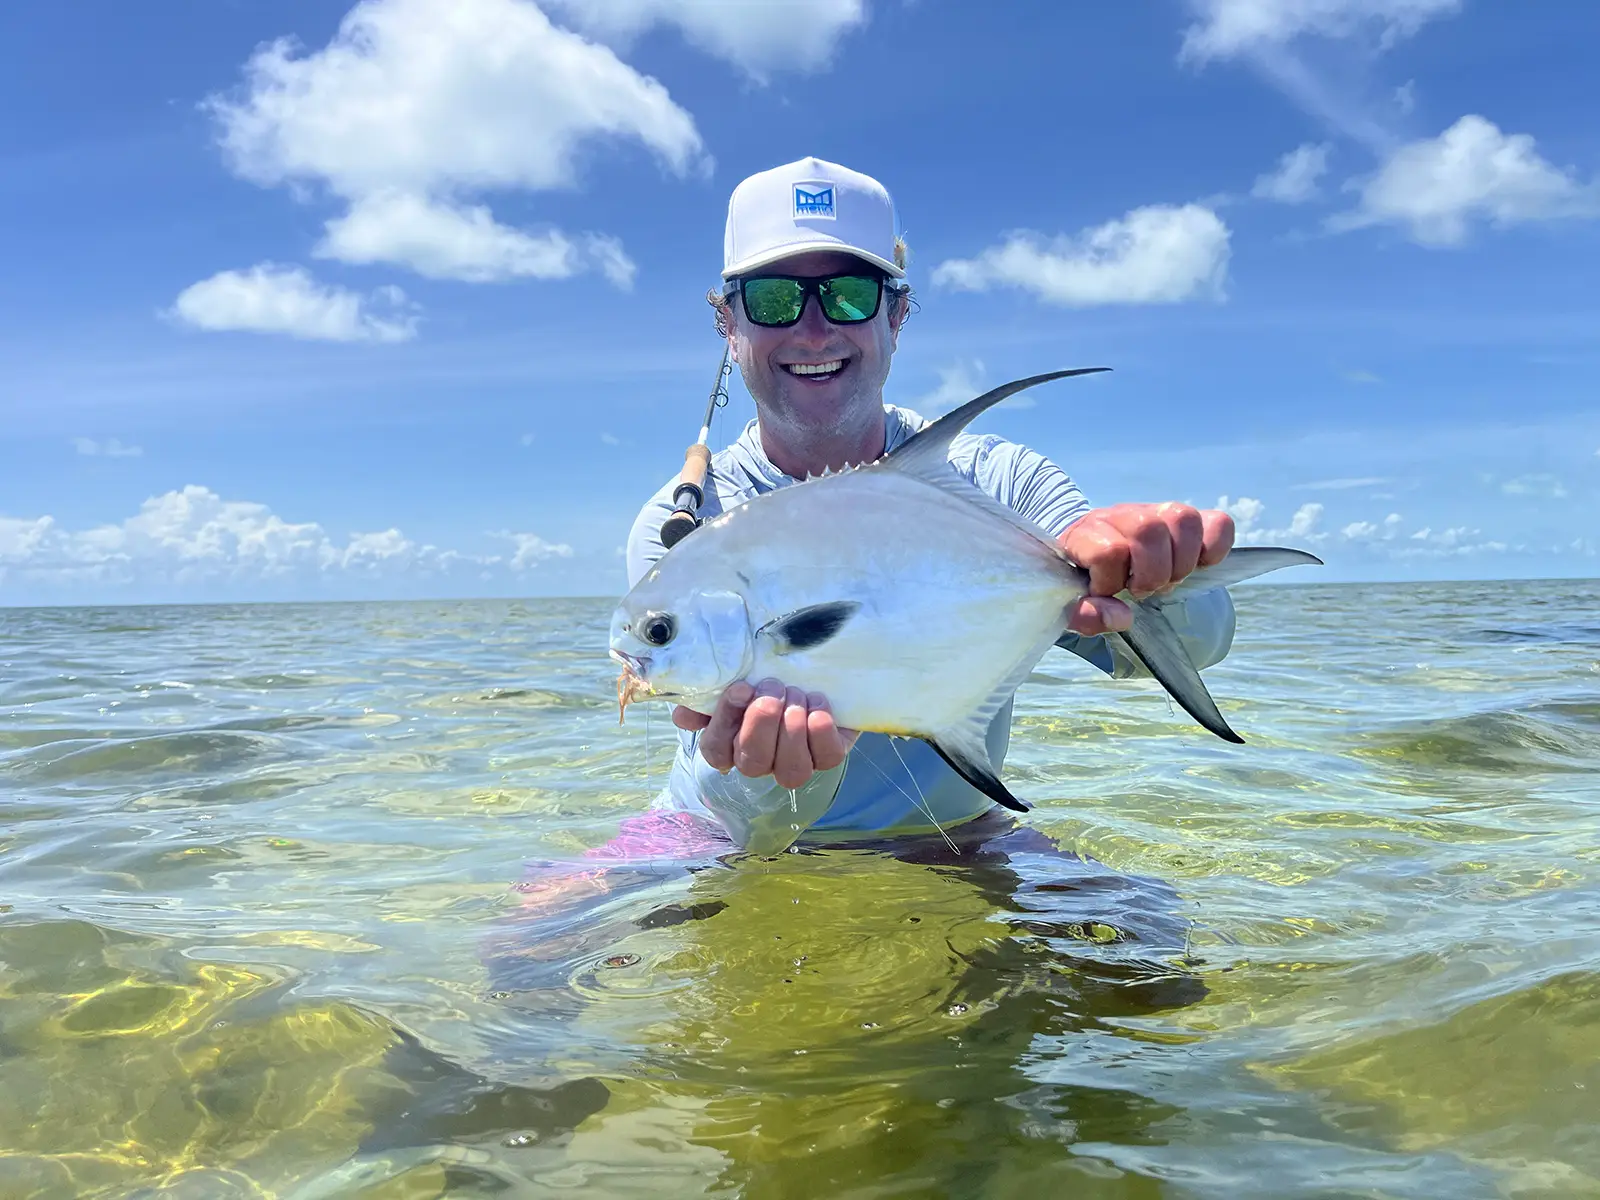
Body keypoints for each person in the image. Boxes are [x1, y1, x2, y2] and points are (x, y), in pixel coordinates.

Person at [622, 156, 1238, 850]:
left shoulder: (1000, 481)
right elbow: (743, 823)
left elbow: (1187, 648)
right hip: (711, 838)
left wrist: (1153, 571)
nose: (813, 329)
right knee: (542, 919)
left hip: (959, 840)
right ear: (728, 324)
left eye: (849, 294)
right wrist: (766, 781)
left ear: (897, 314)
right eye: (772, 299)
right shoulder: (684, 527)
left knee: (1153, 920)